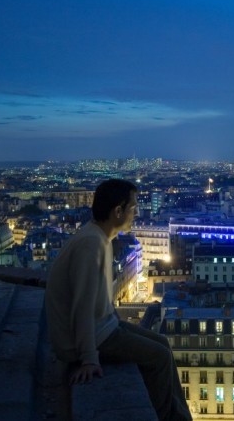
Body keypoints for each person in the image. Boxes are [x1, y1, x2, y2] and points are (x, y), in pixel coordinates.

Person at [45, 179, 192, 421]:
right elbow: (82, 307)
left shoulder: (96, 237)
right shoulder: (91, 244)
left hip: (102, 326)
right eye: (133, 208)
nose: (137, 213)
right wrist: (89, 358)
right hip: (92, 337)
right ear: (117, 211)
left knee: (162, 344)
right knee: (160, 356)